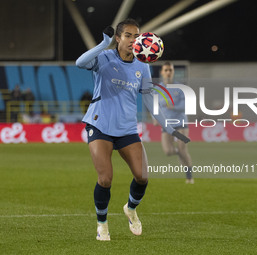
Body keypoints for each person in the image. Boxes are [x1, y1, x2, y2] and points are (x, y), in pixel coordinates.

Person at [76, 19, 189, 241]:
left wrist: (167, 125)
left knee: (142, 176)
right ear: (118, 38)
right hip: (100, 125)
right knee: (105, 179)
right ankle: (102, 224)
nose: (133, 40)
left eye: (136, 36)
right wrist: (103, 44)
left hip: (127, 128)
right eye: (128, 36)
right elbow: (80, 63)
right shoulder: (104, 57)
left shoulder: (142, 65)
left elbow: (148, 99)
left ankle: (131, 208)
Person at [154, 62, 194, 184]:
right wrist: (155, 118)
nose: (168, 72)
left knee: (183, 149)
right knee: (168, 151)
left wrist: (173, 107)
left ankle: (189, 177)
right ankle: (178, 153)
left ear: (173, 72)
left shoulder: (180, 88)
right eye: (166, 70)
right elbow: (154, 106)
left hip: (181, 122)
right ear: (162, 72)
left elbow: (185, 105)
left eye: (170, 70)